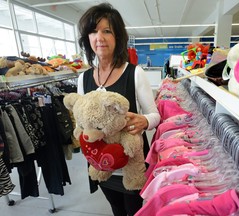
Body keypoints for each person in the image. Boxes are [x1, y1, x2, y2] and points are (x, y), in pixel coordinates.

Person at [77, 3, 160, 216]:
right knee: (115, 208)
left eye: (107, 31)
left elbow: (155, 115)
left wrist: (145, 121)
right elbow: (81, 120)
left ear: (118, 37)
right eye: (93, 31)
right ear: (87, 38)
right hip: (101, 163)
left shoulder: (134, 73)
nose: (99, 37)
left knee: (133, 211)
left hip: (131, 162)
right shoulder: (83, 78)